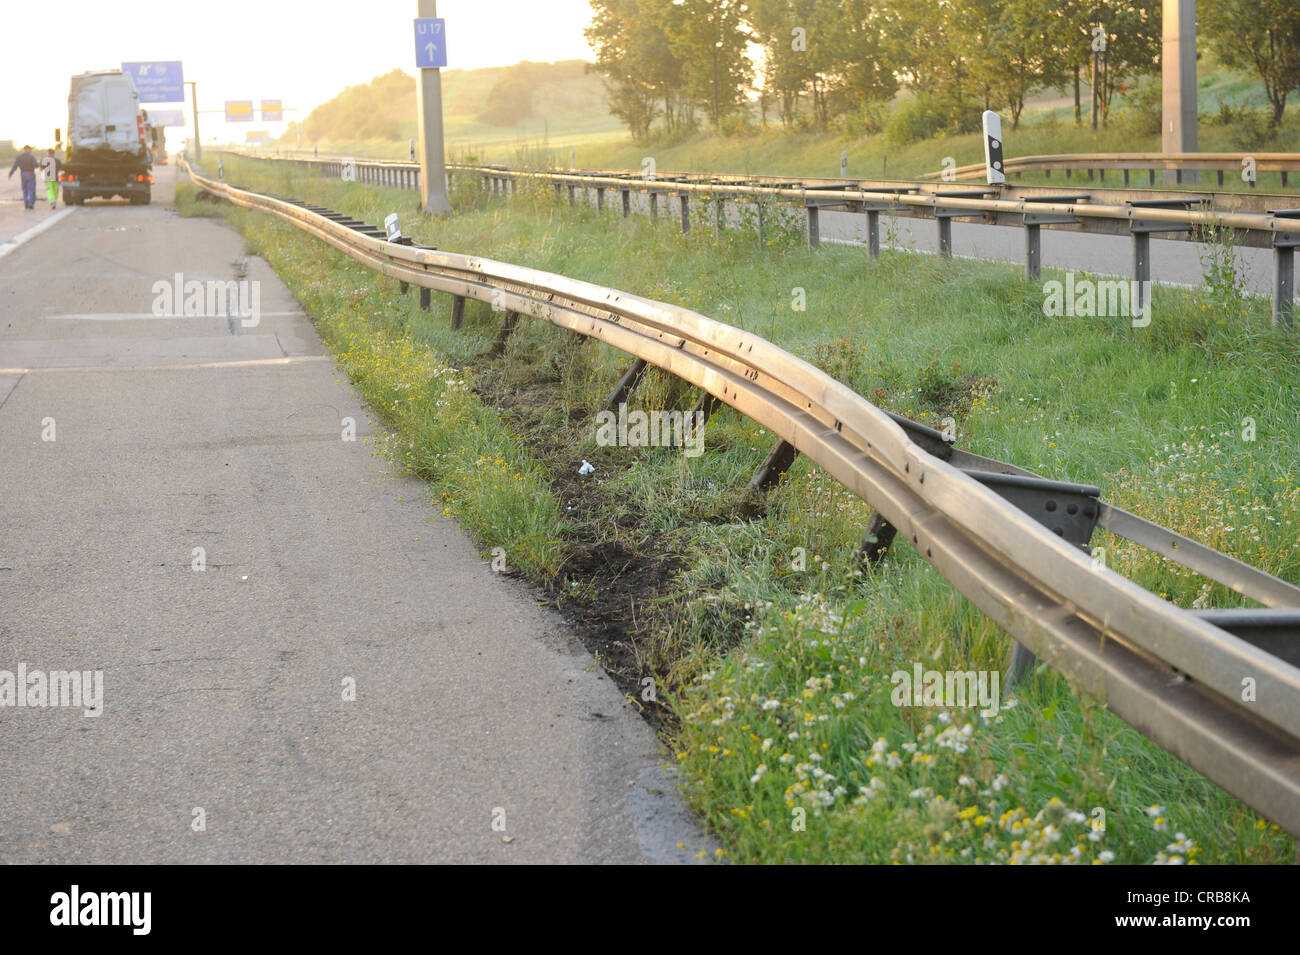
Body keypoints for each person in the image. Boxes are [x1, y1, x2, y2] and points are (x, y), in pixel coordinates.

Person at [7, 144, 38, 209]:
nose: (31, 151)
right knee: (31, 189)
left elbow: (14, 166)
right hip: (30, 173)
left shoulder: (19, 157)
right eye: (30, 149)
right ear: (27, 149)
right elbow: (36, 165)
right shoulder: (31, 157)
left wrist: (10, 174)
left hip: (23, 174)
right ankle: (30, 204)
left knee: (25, 189)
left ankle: (26, 204)